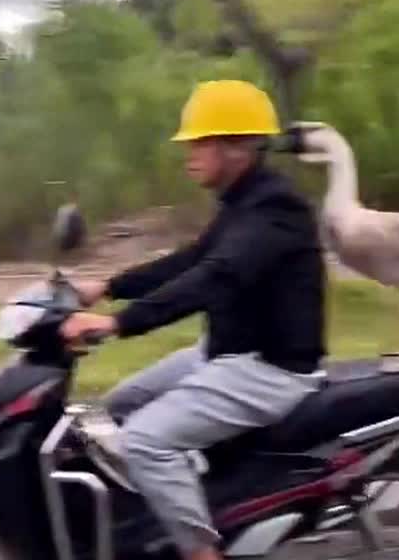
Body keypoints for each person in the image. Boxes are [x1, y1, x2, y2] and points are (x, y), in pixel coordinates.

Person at [60, 79, 327, 560]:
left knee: (143, 441)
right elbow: (189, 260)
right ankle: (173, 504)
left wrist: (118, 324)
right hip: (223, 352)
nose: (189, 152)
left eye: (201, 141)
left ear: (240, 147)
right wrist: (106, 288)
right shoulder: (242, 204)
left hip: (269, 369)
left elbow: (213, 277)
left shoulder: (275, 212)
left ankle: (201, 551)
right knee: (116, 406)